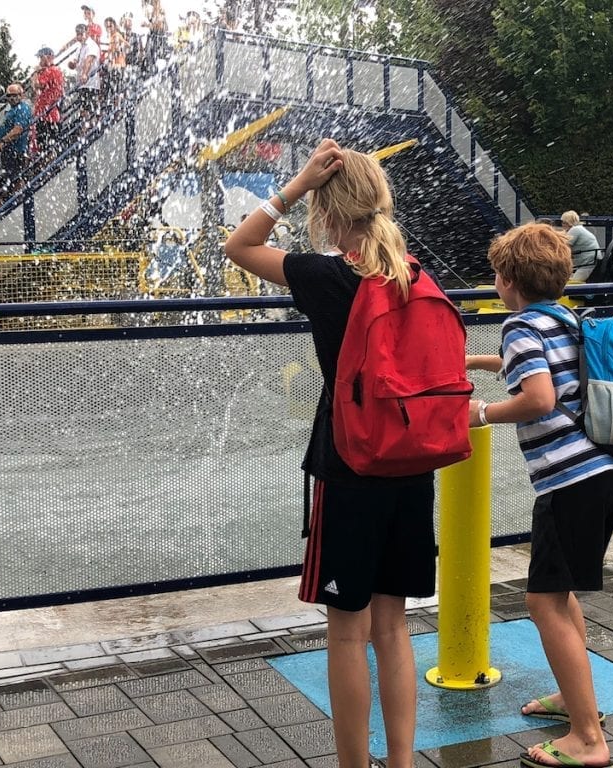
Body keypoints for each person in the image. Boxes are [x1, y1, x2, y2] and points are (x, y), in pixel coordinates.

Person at [224, 139, 436, 768]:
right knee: (393, 626)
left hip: (350, 467)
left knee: (347, 630)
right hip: (412, 463)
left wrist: (291, 187)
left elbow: (239, 246)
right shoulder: (414, 274)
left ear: (325, 212)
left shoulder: (325, 277)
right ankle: (399, 762)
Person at [466, 222, 613, 768]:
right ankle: (573, 702)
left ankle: (588, 738)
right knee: (560, 596)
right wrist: (478, 362)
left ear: (507, 280)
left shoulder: (518, 326)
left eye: (495, 272)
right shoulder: (564, 318)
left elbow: (538, 396)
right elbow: (545, 370)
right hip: (603, 472)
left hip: (568, 479)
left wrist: (481, 413)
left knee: (541, 603)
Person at [0, 83, 32, 189]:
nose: (12, 98)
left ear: (21, 95)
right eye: (9, 96)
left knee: (14, 178)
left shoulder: (23, 108)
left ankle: (16, 198)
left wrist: (3, 141)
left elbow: (18, 130)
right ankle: (7, 198)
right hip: (7, 150)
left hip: (17, 150)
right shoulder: (9, 109)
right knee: (4, 180)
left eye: (15, 95)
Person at [31, 48, 65, 160]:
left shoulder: (50, 70)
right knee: (48, 145)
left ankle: (48, 164)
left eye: (41, 57)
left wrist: (36, 72)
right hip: (49, 113)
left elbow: (37, 85)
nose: (39, 61)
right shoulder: (55, 70)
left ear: (48, 57)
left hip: (48, 115)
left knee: (46, 146)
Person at [67, 23, 101, 130]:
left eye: (81, 34)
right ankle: (86, 127)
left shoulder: (92, 45)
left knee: (89, 106)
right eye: (77, 34)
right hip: (82, 83)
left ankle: (90, 127)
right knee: (84, 107)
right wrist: (71, 64)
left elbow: (89, 60)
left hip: (91, 82)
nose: (79, 36)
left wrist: (85, 74)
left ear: (87, 33)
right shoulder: (80, 47)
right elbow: (74, 61)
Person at [560, 210, 600, 281]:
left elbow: (564, 246)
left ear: (569, 223)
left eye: (564, 222)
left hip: (587, 262)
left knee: (574, 283)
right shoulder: (579, 228)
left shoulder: (575, 230)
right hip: (590, 260)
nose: (562, 224)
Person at [103, 17, 127, 105]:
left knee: (117, 89)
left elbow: (118, 49)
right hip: (118, 65)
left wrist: (119, 49)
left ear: (115, 26)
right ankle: (116, 107)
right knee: (115, 89)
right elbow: (126, 44)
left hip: (118, 65)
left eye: (110, 26)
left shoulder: (116, 36)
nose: (108, 28)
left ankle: (117, 107)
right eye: (107, 27)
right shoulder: (114, 36)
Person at [142, 0, 170, 74]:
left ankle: (155, 69)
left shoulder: (158, 10)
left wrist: (149, 25)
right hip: (154, 37)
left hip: (159, 37)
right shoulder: (149, 9)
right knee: (150, 54)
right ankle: (153, 69)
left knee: (154, 53)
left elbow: (163, 27)